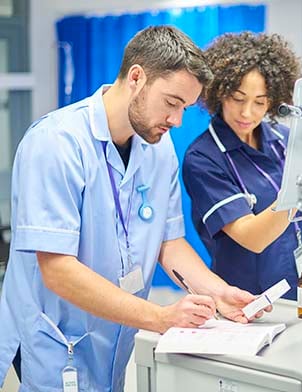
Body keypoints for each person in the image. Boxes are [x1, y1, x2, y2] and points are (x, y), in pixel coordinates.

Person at [0, 26, 267, 391]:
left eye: (185, 109)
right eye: (172, 103)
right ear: (137, 77)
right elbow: (57, 270)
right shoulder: (56, 143)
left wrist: (219, 293)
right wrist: (158, 317)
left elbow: (169, 243)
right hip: (57, 339)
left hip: (114, 333)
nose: (176, 121)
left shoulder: (157, 148)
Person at [183, 32, 302, 300]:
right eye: (238, 98)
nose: (247, 113)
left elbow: (300, 223)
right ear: (219, 92)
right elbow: (252, 237)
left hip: (296, 287)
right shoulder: (203, 157)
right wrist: (296, 190)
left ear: (273, 100)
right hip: (244, 299)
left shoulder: (284, 141)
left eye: (259, 102)